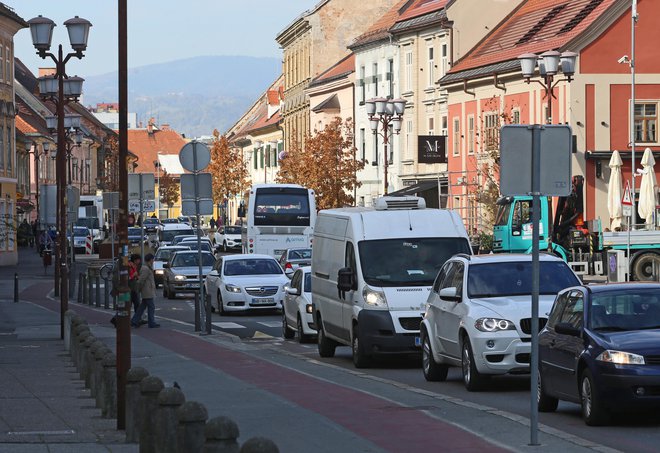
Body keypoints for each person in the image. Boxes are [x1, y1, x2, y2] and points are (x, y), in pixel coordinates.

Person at [132, 253, 159, 328]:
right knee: (151, 307)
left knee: (142, 307)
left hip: (148, 290)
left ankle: (134, 320)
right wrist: (138, 289)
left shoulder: (147, 267)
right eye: (153, 259)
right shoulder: (146, 268)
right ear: (150, 260)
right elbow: (141, 280)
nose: (153, 261)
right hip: (147, 290)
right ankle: (151, 322)